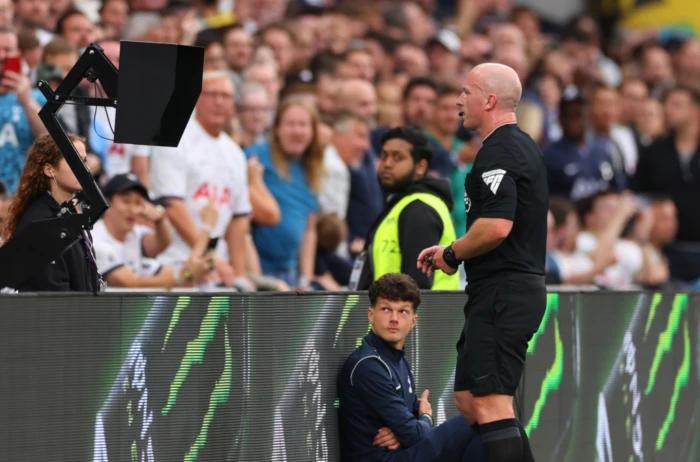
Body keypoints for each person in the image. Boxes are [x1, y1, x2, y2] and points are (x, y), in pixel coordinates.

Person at [417, 63, 547, 462]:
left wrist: (452, 253)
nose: (458, 100)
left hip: (505, 290)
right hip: (501, 290)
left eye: (466, 91)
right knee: (471, 401)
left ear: (489, 100)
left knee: (490, 404)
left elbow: (495, 227)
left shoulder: (501, 150)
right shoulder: (514, 146)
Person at [338, 272, 483, 462]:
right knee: (478, 422)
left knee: (491, 429)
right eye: (386, 309)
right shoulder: (368, 365)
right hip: (386, 458)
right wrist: (425, 418)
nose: (394, 319)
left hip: (402, 453)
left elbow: (409, 420)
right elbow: (415, 433)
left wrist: (405, 431)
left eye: (403, 311)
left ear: (414, 321)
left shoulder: (397, 360)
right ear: (371, 315)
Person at [150, 71, 253, 290]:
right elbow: (172, 205)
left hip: (218, 266)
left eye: (226, 96)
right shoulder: (174, 138)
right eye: (211, 94)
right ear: (196, 98)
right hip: (176, 259)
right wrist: (212, 259)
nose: (219, 102)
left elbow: (239, 218)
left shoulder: (235, 152)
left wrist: (239, 273)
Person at [356, 126, 459, 290]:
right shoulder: (402, 204)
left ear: (420, 167)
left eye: (398, 157)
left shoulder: (419, 209)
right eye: (384, 156)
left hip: (415, 315)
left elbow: (416, 286)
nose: (387, 164)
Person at [2, 133, 100, 291]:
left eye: (84, 160)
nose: (85, 168)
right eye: (74, 160)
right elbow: (53, 295)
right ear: (49, 170)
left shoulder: (69, 215)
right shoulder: (41, 221)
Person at [245, 97, 323, 288]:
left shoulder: (312, 167)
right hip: (257, 271)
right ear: (277, 129)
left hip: (290, 273)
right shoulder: (256, 156)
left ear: (313, 132)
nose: (297, 131)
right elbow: (241, 217)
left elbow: (309, 229)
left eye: (303, 125)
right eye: (290, 124)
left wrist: (306, 278)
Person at [92, 174, 214, 289]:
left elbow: (164, 247)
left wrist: (160, 220)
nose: (133, 210)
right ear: (107, 202)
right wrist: (184, 276)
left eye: (138, 203)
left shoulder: (134, 235)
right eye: (126, 201)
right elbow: (129, 283)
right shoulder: (95, 239)